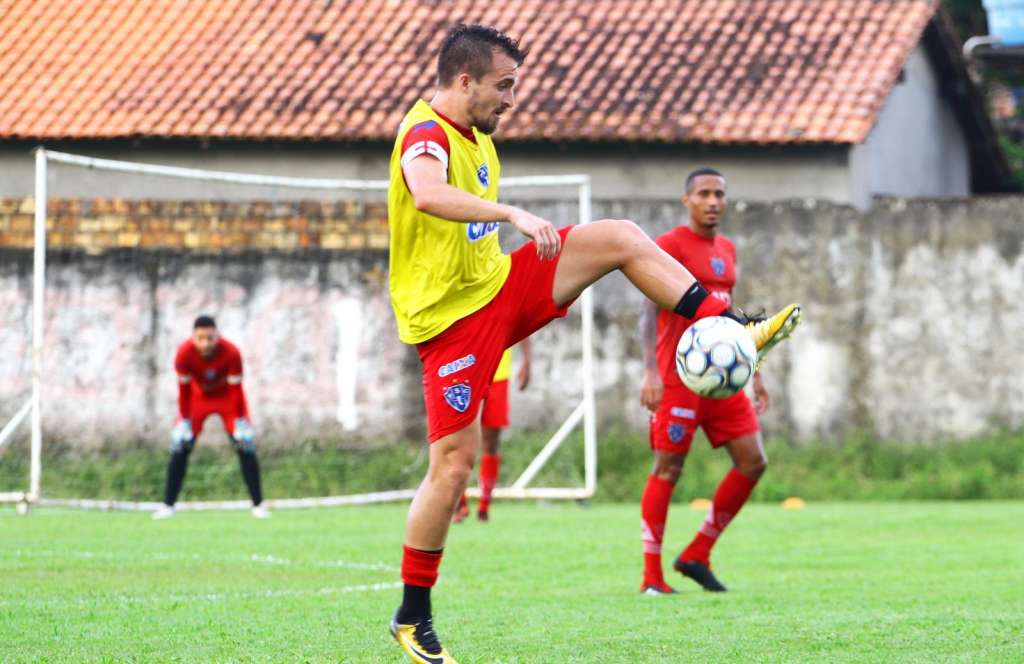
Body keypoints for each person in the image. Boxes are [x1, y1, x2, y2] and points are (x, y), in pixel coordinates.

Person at [386, 24, 801, 663]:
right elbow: (428, 193)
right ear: (464, 81)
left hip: (499, 287)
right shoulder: (425, 134)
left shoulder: (479, 137)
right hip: (451, 326)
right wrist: (512, 214)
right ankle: (413, 616)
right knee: (452, 468)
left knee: (619, 236)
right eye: (504, 86)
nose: (512, 100)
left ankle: (729, 325)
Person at [638, 168, 771, 595]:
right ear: (687, 200)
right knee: (668, 468)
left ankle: (697, 553)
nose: (713, 201)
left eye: (719, 194)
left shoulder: (727, 250)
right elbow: (647, 310)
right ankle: (652, 577)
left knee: (753, 461)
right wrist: (650, 371)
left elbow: (730, 318)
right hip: (678, 379)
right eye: (704, 194)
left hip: (724, 382)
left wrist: (755, 371)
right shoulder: (670, 245)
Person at [152, 315, 269, 520]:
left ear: (217, 336)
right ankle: (168, 505)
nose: (205, 343)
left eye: (210, 338)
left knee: (245, 445)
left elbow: (236, 389)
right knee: (180, 447)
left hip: (227, 399)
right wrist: (185, 420)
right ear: (193, 337)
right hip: (197, 399)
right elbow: (184, 390)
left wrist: (239, 420)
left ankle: (258, 505)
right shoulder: (184, 353)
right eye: (200, 338)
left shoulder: (231, 352)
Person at [452, 339, 531, 523]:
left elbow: (521, 322)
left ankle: (484, 507)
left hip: (498, 375)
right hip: (466, 372)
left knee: (490, 442)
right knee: (460, 441)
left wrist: (527, 361)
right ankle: (460, 504)